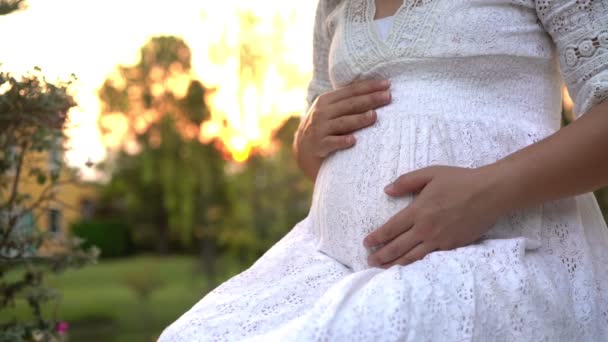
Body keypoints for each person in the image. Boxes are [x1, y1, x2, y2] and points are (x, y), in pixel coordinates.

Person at [160, 0, 608, 340]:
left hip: (503, 247)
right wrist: (306, 138)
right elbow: (321, 152)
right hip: (328, 260)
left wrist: (487, 191)